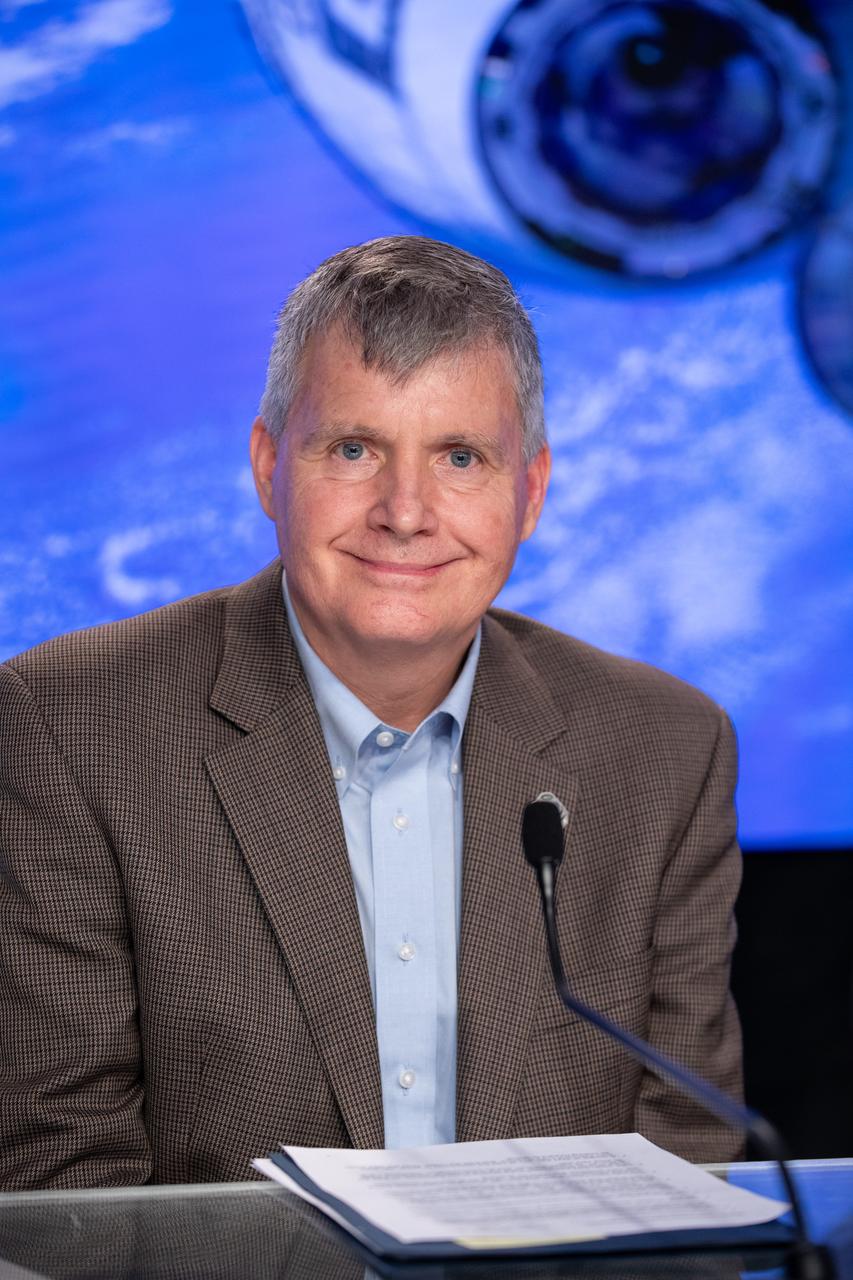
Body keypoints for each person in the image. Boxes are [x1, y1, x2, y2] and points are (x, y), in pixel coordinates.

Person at [0, 236, 742, 1189]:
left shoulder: (664, 750)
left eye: (460, 457)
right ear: (268, 466)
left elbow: (687, 1166)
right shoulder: (70, 729)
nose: (405, 510)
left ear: (529, 494)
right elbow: (63, 1192)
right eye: (354, 450)